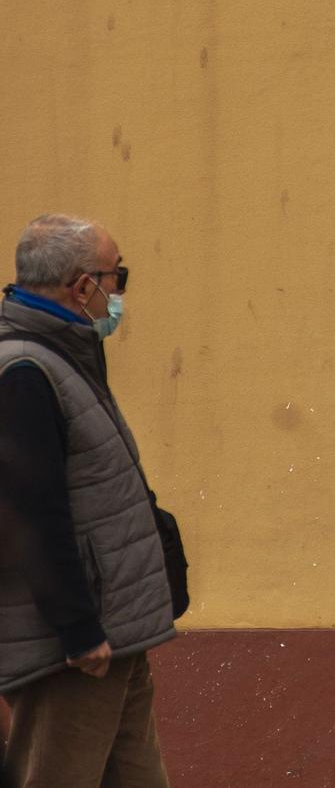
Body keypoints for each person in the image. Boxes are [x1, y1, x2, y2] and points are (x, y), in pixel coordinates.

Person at [0, 214, 183, 788]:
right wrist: (78, 630)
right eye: (117, 276)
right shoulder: (25, 372)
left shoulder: (65, 356)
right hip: (74, 650)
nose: (120, 292)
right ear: (84, 287)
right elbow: (31, 512)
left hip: (117, 634)